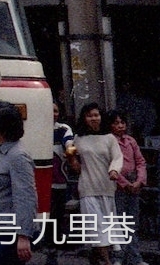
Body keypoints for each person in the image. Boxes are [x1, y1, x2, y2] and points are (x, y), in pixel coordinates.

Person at [0, 100, 38, 264]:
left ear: (1, 128)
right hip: (0, 228)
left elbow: (26, 197)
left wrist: (23, 236)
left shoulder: (17, 156)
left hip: (11, 232)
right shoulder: (0, 151)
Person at [67, 102, 123, 265]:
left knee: (108, 226)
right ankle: (107, 261)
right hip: (87, 188)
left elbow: (117, 158)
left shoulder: (109, 138)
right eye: (90, 115)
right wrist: (71, 157)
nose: (93, 118)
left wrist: (114, 170)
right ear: (84, 118)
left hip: (106, 187)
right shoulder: (78, 139)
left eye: (96, 115)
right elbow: (76, 167)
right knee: (96, 227)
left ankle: (101, 257)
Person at [109, 109, 148, 265]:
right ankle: (119, 257)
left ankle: (134, 257)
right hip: (117, 185)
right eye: (116, 123)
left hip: (134, 183)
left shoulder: (131, 141)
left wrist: (139, 180)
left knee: (132, 222)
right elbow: (109, 165)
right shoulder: (109, 141)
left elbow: (140, 162)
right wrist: (125, 183)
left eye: (122, 123)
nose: (120, 126)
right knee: (118, 221)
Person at [46, 99, 75, 265]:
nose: (53, 114)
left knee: (56, 218)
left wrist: (71, 153)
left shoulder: (63, 129)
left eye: (55, 111)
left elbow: (70, 143)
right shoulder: (34, 128)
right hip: (38, 183)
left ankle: (52, 253)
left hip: (58, 182)